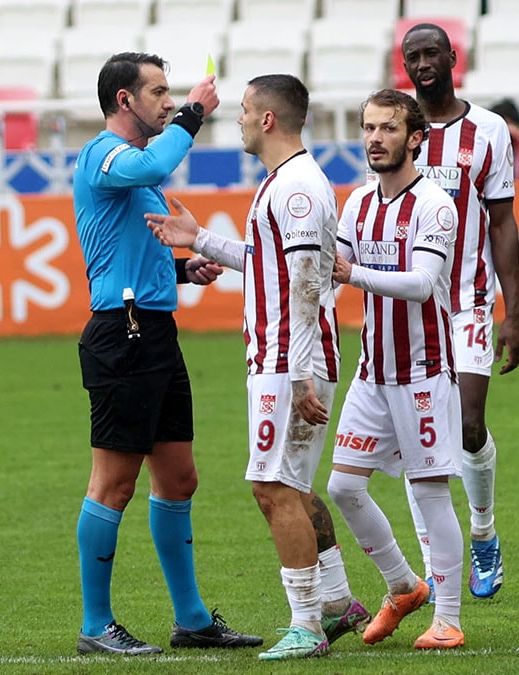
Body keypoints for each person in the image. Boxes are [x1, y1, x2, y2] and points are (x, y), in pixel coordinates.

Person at [144, 73, 371, 661]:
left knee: (272, 487)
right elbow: (269, 262)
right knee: (288, 484)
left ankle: (306, 625)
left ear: (267, 119)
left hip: (288, 357)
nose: (239, 119)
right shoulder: (287, 181)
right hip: (284, 355)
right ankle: (338, 603)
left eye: (245, 110)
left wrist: (297, 374)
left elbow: (300, 283)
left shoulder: (295, 188)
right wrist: (200, 239)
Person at [71, 51, 261, 656]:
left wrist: (184, 269)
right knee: (114, 484)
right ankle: (96, 625)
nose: (167, 100)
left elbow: (126, 250)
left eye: (171, 92)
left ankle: (193, 619)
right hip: (121, 335)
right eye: (157, 92)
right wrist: (194, 114)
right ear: (124, 101)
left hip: (152, 329)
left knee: (179, 478)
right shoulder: (106, 155)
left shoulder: (137, 173)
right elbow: (157, 157)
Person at [325, 88, 466, 650]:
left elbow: (422, 283)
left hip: (426, 372)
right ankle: (404, 586)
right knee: (342, 486)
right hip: (373, 372)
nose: (374, 139)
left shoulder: (435, 204)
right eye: (367, 128)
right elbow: (321, 266)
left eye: (387, 129)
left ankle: (449, 619)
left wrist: (352, 274)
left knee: (431, 495)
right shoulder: (357, 203)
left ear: (415, 138)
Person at [399, 21, 519, 601]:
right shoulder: (398, 126)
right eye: (413, 56)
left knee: (468, 425)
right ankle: (434, 561)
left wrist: (514, 312)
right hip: (412, 307)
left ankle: (483, 532)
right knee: (418, 440)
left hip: (469, 300)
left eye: (432, 53)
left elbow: (502, 221)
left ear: (453, 57)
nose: (423, 63)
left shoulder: (489, 130)